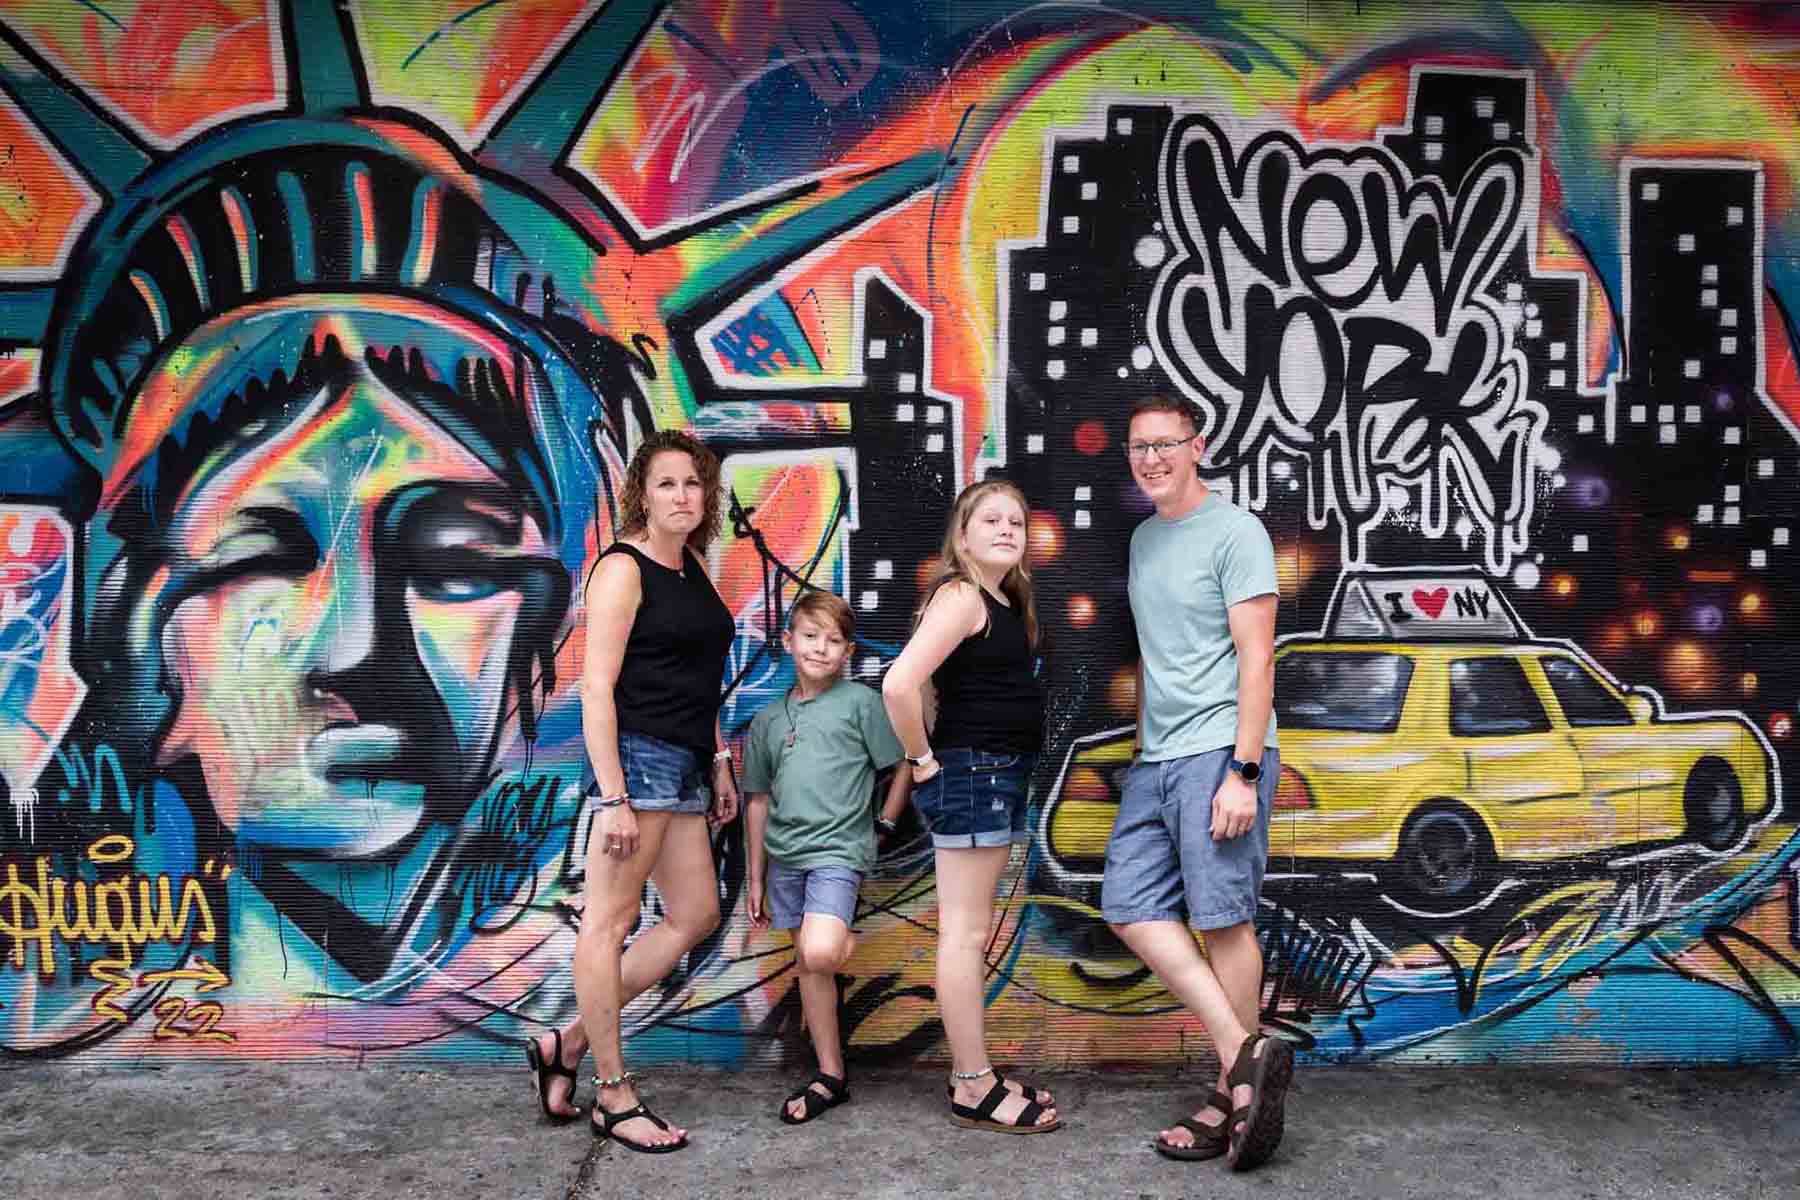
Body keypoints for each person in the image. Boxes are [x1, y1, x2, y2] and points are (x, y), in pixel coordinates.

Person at [523, 429, 738, 1154]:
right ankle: (613, 1095)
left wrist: (717, 760)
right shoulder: (623, 568)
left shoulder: (693, 568)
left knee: (696, 914)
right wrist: (612, 796)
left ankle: (570, 1041)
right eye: (667, 483)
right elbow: (596, 688)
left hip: (682, 763)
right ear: (641, 495)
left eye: (693, 483)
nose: (683, 495)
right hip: (637, 764)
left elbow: (701, 679)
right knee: (608, 924)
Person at [1102, 394, 1292, 1171]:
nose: (1152, 458)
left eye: (1167, 444)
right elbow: (1155, 655)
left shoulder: (1237, 531)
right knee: (1128, 901)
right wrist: (1145, 747)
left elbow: (1257, 659)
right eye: (1139, 446)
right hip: (1159, 759)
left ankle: (1228, 1096)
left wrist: (1243, 771)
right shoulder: (1145, 539)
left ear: (1198, 447)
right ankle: (1246, 1057)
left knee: (1222, 922)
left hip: (1222, 751)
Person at [880, 479, 1059, 1135]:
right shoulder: (960, 596)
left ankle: (975, 1072)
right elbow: (899, 684)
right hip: (973, 775)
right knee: (964, 933)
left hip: (992, 775)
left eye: (1016, 520)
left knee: (970, 931)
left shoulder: (1000, 600)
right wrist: (923, 760)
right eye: (991, 519)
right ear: (963, 536)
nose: (1007, 529)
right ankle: (972, 1082)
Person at [740, 590, 910, 1124]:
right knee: (810, 969)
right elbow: (758, 801)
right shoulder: (768, 721)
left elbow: (900, 764)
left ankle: (837, 937)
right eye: (810, 637)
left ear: (848, 652)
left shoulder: (860, 704)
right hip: (786, 857)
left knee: (818, 953)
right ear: (788, 642)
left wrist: (885, 821)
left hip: (839, 851)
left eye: (833, 641)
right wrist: (754, 877)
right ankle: (831, 1074)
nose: (820, 649)